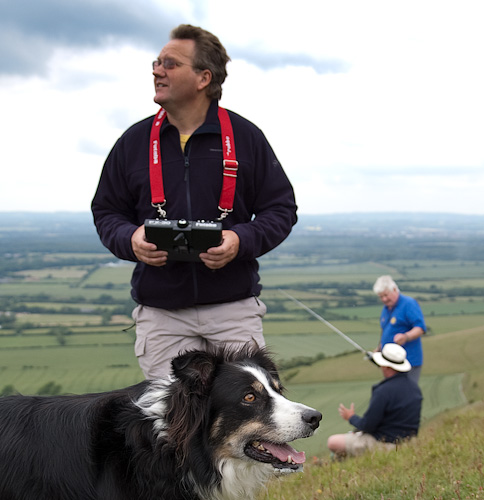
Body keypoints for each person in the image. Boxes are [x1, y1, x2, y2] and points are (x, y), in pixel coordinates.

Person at [91, 24, 297, 379]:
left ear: (203, 77)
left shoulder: (246, 137)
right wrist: (131, 239)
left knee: (250, 419)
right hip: (161, 312)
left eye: (170, 64)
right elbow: (107, 211)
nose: (157, 70)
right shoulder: (134, 141)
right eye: (157, 62)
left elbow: (281, 209)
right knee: (169, 425)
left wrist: (239, 240)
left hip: (232, 307)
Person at [327, 343, 422, 458]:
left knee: (333, 441)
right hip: (408, 444)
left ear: (385, 366)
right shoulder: (415, 388)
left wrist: (351, 417)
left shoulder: (383, 391)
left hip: (386, 445)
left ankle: (343, 461)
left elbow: (368, 425)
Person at [373, 275, 426, 383]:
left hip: (408, 361)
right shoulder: (387, 308)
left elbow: (420, 328)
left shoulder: (408, 304)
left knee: (407, 395)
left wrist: (406, 337)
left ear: (394, 290)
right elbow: (386, 330)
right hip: (389, 363)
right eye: (381, 296)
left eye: (386, 295)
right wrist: (379, 348)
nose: (384, 299)